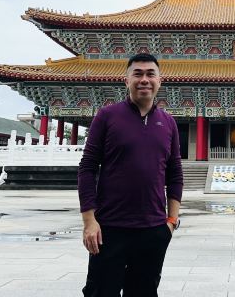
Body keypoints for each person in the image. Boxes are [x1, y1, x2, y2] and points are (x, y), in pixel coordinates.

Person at [78, 53, 183, 296]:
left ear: (159, 81)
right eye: (138, 74)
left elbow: (175, 172)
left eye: (150, 74)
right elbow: (87, 167)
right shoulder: (107, 116)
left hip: (153, 229)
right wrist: (89, 222)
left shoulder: (168, 123)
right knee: (101, 292)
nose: (144, 79)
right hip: (109, 228)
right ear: (126, 80)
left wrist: (171, 221)